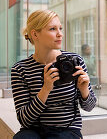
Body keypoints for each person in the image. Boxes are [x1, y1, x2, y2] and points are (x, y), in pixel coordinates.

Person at [11, 10, 97, 139]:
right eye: (52, 29)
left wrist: (84, 90)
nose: (60, 34)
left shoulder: (74, 61)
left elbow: (89, 107)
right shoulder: (20, 69)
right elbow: (24, 120)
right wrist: (45, 89)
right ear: (35, 34)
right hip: (33, 130)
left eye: (60, 28)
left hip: (67, 130)